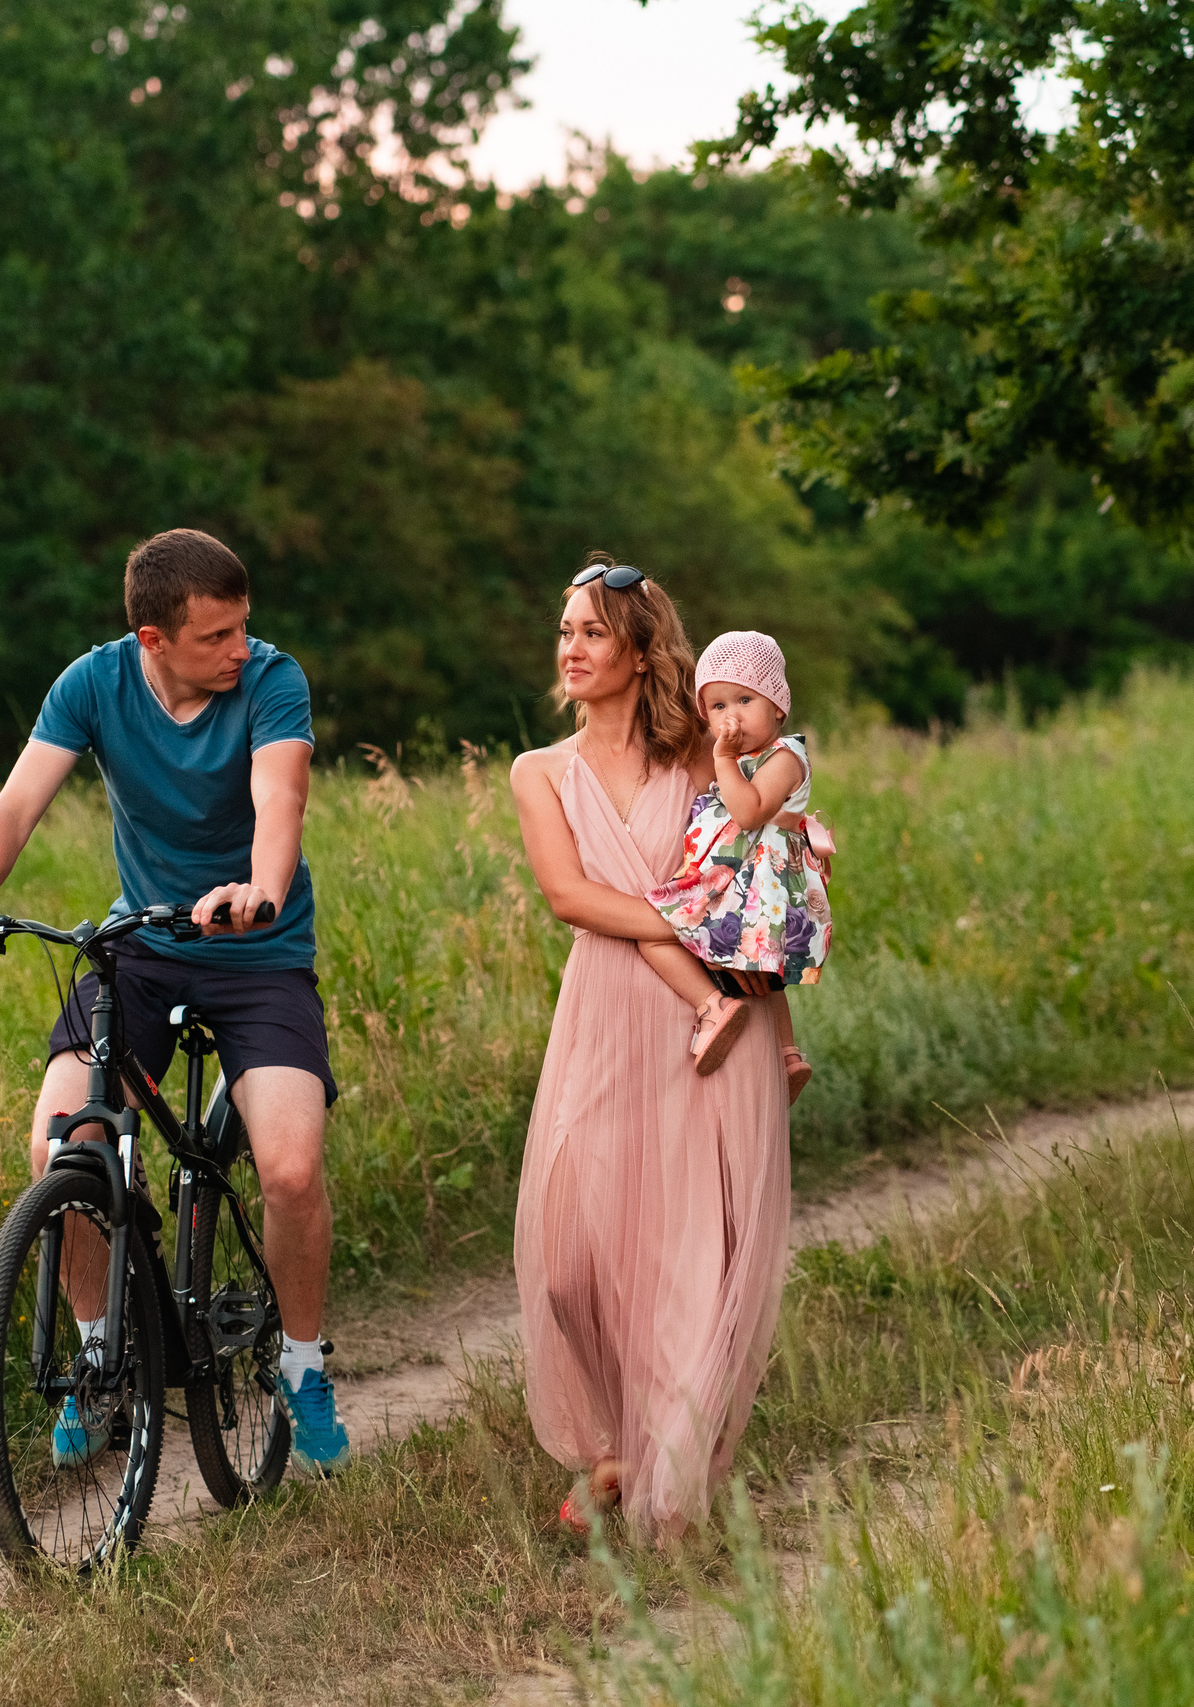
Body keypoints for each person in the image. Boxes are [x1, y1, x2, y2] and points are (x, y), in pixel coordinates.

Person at [0, 527, 349, 1475]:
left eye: (245, 627)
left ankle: (303, 1365)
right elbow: (15, 805)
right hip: (144, 946)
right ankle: (101, 1353)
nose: (242, 647)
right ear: (154, 639)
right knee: (59, 1141)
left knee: (287, 1166)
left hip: (258, 951)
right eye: (217, 635)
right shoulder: (93, 683)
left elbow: (281, 799)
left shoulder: (273, 682)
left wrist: (257, 891)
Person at [508, 553, 793, 1543]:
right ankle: (619, 1441)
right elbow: (566, 895)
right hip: (604, 1015)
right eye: (564, 630)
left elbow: (764, 861)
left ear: (639, 647)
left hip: (706, 1026)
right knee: (568, 1259)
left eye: (590, 630)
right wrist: (676, 926)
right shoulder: (539, 770)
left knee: (685, 1246)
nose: (570, 648)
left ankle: (663, 1478)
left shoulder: (694, 761)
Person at [641, 630, 832, 1102]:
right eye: (718, 707)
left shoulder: (786, 756)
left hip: (755, 888)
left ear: (778, 707)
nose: (731, 718)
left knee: (653, 932)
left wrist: (722, 760)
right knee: (764, 981)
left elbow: (748, 813)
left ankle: (712, 1008)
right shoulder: (745, 757)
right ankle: (788, 1056)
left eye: (744, 700)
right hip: (743, 881)